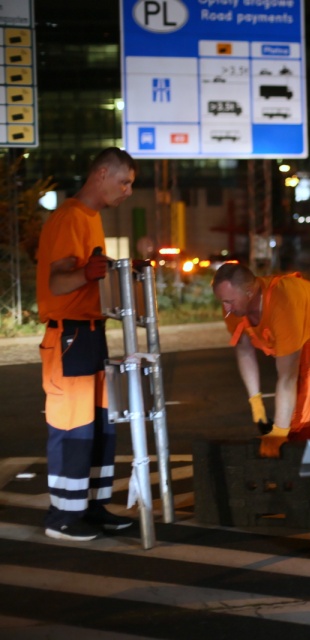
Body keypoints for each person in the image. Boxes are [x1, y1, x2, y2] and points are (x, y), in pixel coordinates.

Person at [36, 147, 138, 541]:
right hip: (69, 336)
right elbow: (57, 282)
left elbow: (83, 275)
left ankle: (90, 506)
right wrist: (87, 273)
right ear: (101, 174)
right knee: (72, 426)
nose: (128, 191)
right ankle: (62, 517)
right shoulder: (69, 217)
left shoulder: (91, 218)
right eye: (124, 182)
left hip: (90, 333)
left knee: (98, 427)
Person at [211, 263, 310, 458]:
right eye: (222, 302)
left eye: (229, 301)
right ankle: (299, 474)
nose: (226, 309)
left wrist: (278, 433)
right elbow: (244, 349)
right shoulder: (235, 308)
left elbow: (287, 378)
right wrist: (256, 404)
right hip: (301, 334)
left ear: (249, 292)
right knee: (295, 417)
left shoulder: (282, 305)